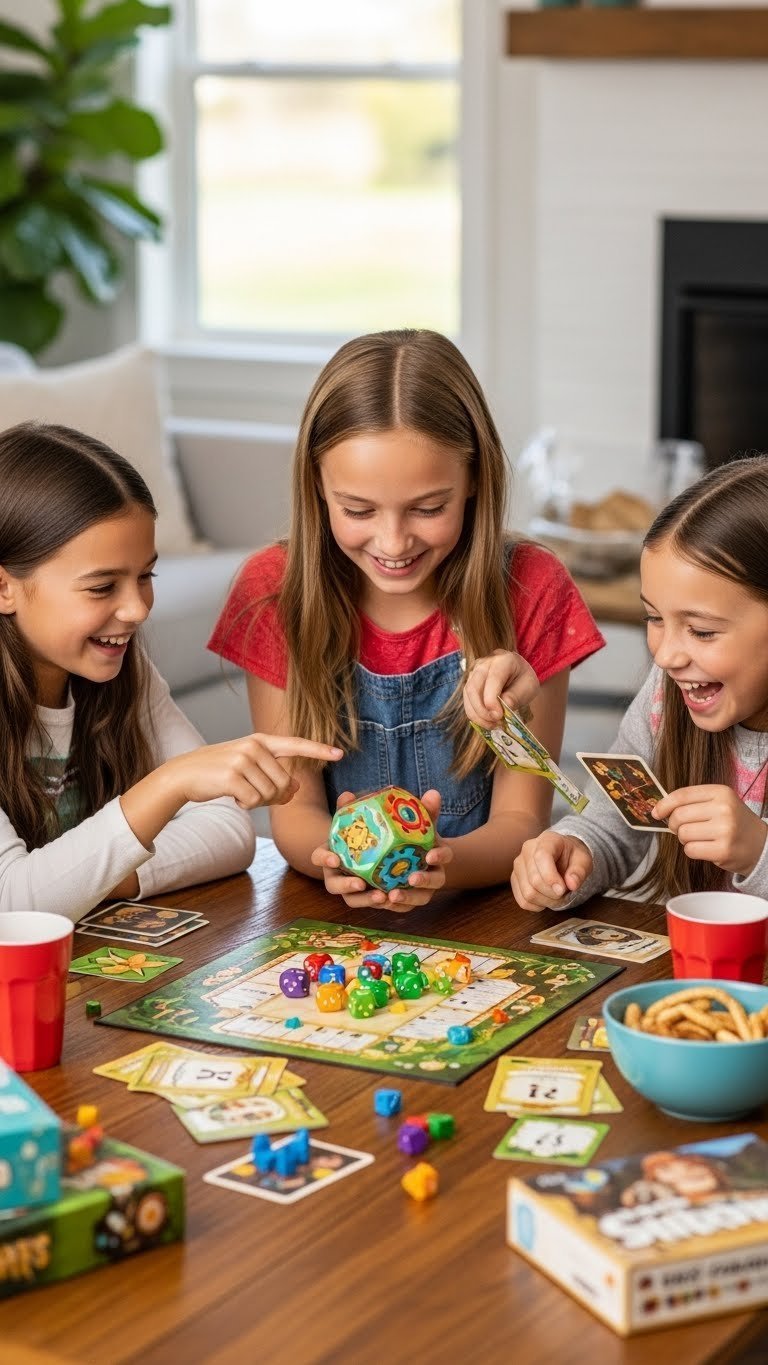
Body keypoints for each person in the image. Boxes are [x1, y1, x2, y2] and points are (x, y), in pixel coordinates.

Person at [208, 329, 604, 910]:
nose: (393, 542)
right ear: (317, 486)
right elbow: (295, 818)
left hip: (480, 911)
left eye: (428, 508)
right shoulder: (275, 590)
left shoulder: (531, 588)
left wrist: (434, 867)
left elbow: (522, 820)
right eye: (358, 510)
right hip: (333, 911)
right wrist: (346, 861)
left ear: (474, 482)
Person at [0, 421, 342, 921]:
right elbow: (13, 903)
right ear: (5, 587)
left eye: (145, 576)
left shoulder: (124, 674)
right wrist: (168, 784)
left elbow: (229, 832)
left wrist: (81, 884)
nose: (137, 610)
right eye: (101, 587)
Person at [509, 455, 768, 911]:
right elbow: (611, 823)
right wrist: (573, 849)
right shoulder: (665, 699)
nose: (666, 656)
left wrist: (758, 851)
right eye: (653, 618)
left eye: (702, 631)